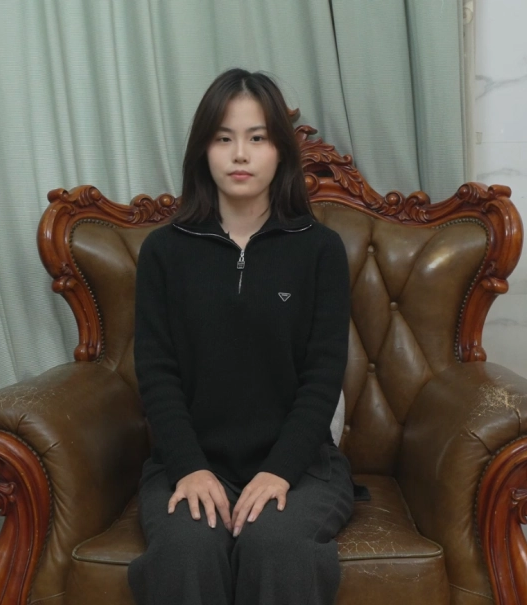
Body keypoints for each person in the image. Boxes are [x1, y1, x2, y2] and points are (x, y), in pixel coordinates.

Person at [127, 68, 356, 605]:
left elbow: (323, 377)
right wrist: (189, 468)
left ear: (280, 151)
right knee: (186, 549)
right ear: (203, 150)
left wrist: (279, 472)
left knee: (277, 545)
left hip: (301, 467)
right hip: (189, 462)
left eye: (257, 138)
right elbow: (156, 373)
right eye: (223, 138)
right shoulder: (164, 251)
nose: (240, 155)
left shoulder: (320, 250)